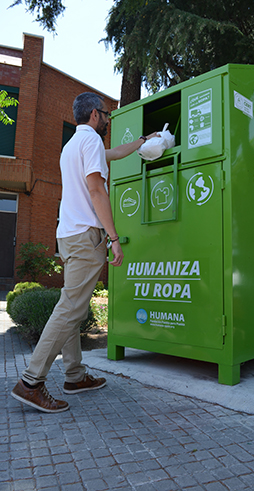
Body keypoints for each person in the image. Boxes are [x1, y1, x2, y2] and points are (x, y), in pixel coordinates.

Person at [11, 92, 158, 413]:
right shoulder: (90, 142)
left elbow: (116, 152)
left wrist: (144, 141)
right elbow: (95, 188)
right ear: (94, 114)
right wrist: (114, 237)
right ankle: (31, 382)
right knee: (70, 308)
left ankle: (75, 375)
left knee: (73, 307)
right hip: (85, 236)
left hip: (67, 235)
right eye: (105, 114)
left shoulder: (73, 145)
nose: (107, 119)